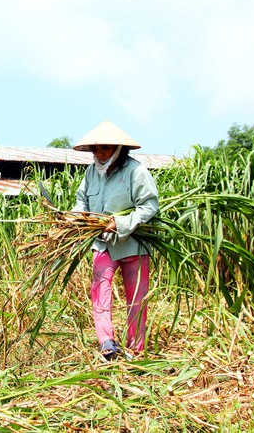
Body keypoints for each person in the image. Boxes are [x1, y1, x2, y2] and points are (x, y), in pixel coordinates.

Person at [71, 120, 159, 360]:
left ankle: (136, 347)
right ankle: (107, 342)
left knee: (137, 298)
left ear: (118, 148)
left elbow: (148, 206)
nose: (100, 154)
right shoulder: (91, 172)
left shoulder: (135, 171)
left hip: (133, 246)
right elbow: (81, 201)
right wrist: (78, 217)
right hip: (103, 244)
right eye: (96, 149)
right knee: (100, 291)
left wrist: (119, 223)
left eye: (105, 148)